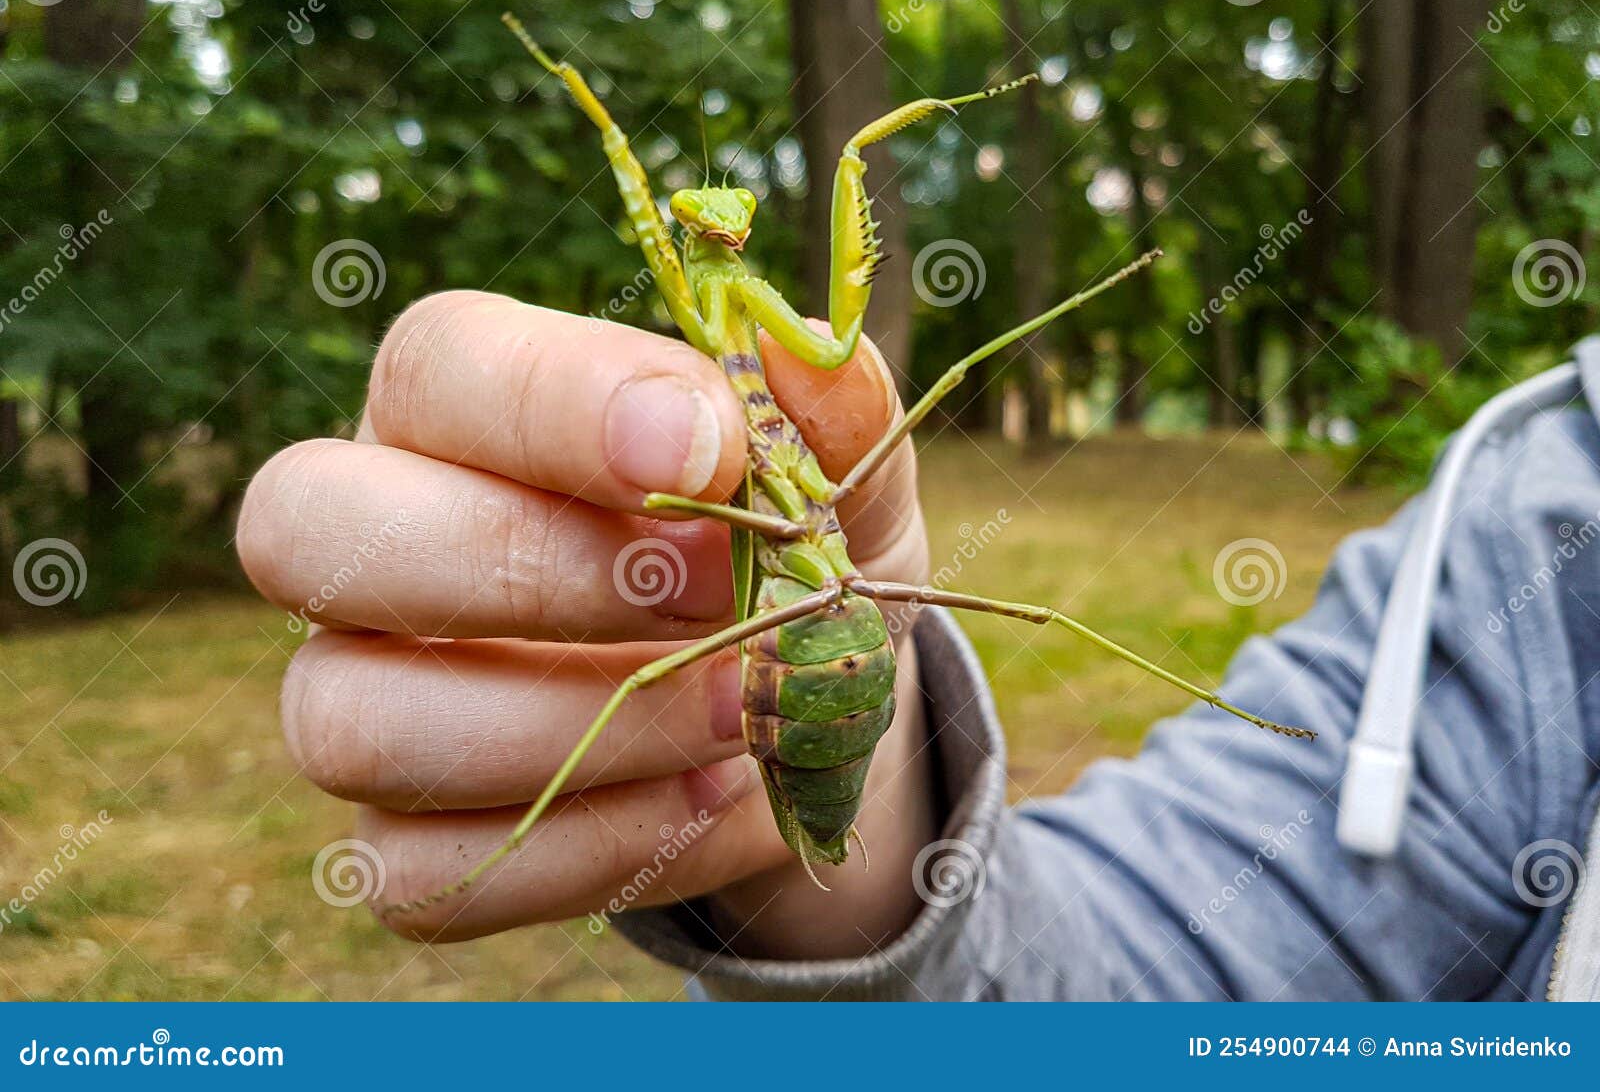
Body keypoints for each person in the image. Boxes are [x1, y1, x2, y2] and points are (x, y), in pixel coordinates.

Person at [236, 289, 1600, 1000]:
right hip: (814, 641)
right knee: (651, 663)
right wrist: (842, 860)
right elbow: (1163, 982)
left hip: (803, 625)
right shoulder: (1541, 526)